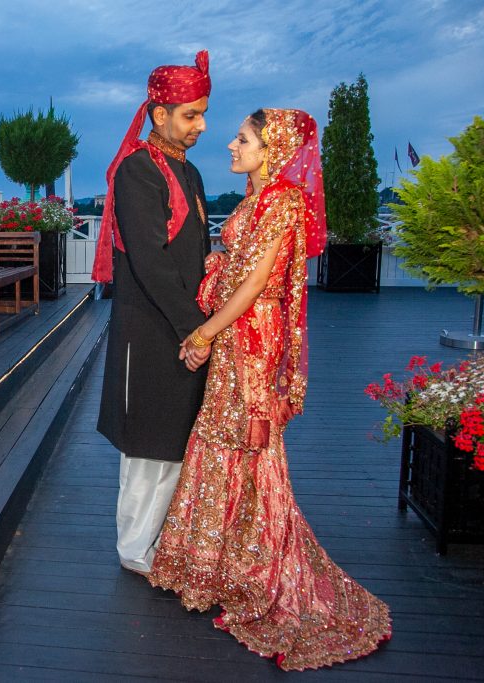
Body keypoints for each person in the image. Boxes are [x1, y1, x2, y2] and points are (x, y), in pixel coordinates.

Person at [147, 108, 392, 670]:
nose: (231, 146)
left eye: (243, 139)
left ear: (272, 149)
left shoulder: (282, 200)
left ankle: (257, 571)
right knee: (222, 437)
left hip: (253, 338)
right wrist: (218, 264)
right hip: (238, 333)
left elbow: (258, 281)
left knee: (250, 446)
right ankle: (218, 567)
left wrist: (203, 332)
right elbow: (241, 263)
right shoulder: (254, 200)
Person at [92, 51, 213, 575]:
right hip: (151, 326)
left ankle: (161, 540)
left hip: (182, 324)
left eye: (202, 114)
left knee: (175, 438)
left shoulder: (189, 171)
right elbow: (149, 261)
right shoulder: (138, 171)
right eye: (191, 115)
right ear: (159, 114)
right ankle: (135, 549)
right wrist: (196, 330)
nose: (201, 126)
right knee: (149, 444)